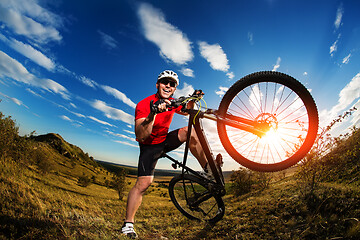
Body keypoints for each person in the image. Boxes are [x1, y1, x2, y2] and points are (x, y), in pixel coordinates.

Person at [121, 70, 210, 238]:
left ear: (175, 89)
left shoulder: (171, 102)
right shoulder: (144, 104)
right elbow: (141, 135)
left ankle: (208, 170)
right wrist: (153, 113)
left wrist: (193, 99)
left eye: (172, 84)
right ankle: (128, 225)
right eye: (164, 82)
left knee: (189, 132)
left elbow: (187, 111)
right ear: (157, 85)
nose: (168, 86)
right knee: (143, 184)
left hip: (164, 141)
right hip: (149, 147)